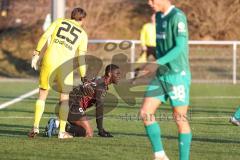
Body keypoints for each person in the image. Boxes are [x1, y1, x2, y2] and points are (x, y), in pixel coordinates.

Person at [140, 0, 192, 160]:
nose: (149, 3)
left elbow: (180, 46)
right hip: (161, 75)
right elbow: (161, 46)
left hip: (177, 75)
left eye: (152, 0)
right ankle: (160, 155)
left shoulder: (178, 17)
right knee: (145, 113)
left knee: (180, 118)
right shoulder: (158, 17)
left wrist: (157, 62)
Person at [28, 8, 88, 139]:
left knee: (42, 94)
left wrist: (36, 53)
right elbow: (81, 57)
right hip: (66, 66)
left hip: (50, 59)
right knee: (64, 98)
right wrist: (84, 76)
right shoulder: (83, 34)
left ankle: (35, 127)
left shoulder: (59, 21)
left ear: (71, 16)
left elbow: (45, 36)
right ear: (82, 19)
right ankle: (61, 132)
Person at [44, 64, 121, 138]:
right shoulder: (101, 86)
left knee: (83, 130)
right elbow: (99, 107)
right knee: (89, 133)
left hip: (68, 103)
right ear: (109, 74)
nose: (119, 76)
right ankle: (57, 124)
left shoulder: (98, 79)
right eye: (117, 74)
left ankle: (57, 125)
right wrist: (101, 129)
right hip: (72, 105)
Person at [133, 13, 156, 82]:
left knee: (162, 63)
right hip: (147, 47)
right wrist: (143, 45)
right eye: (153, 16)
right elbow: (142, 36)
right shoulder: (146, 26)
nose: (153, 18)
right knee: (139, 63)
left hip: (157, 48)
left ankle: (165, 79)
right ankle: (133, 79)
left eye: (155, 17)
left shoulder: (160, 27)